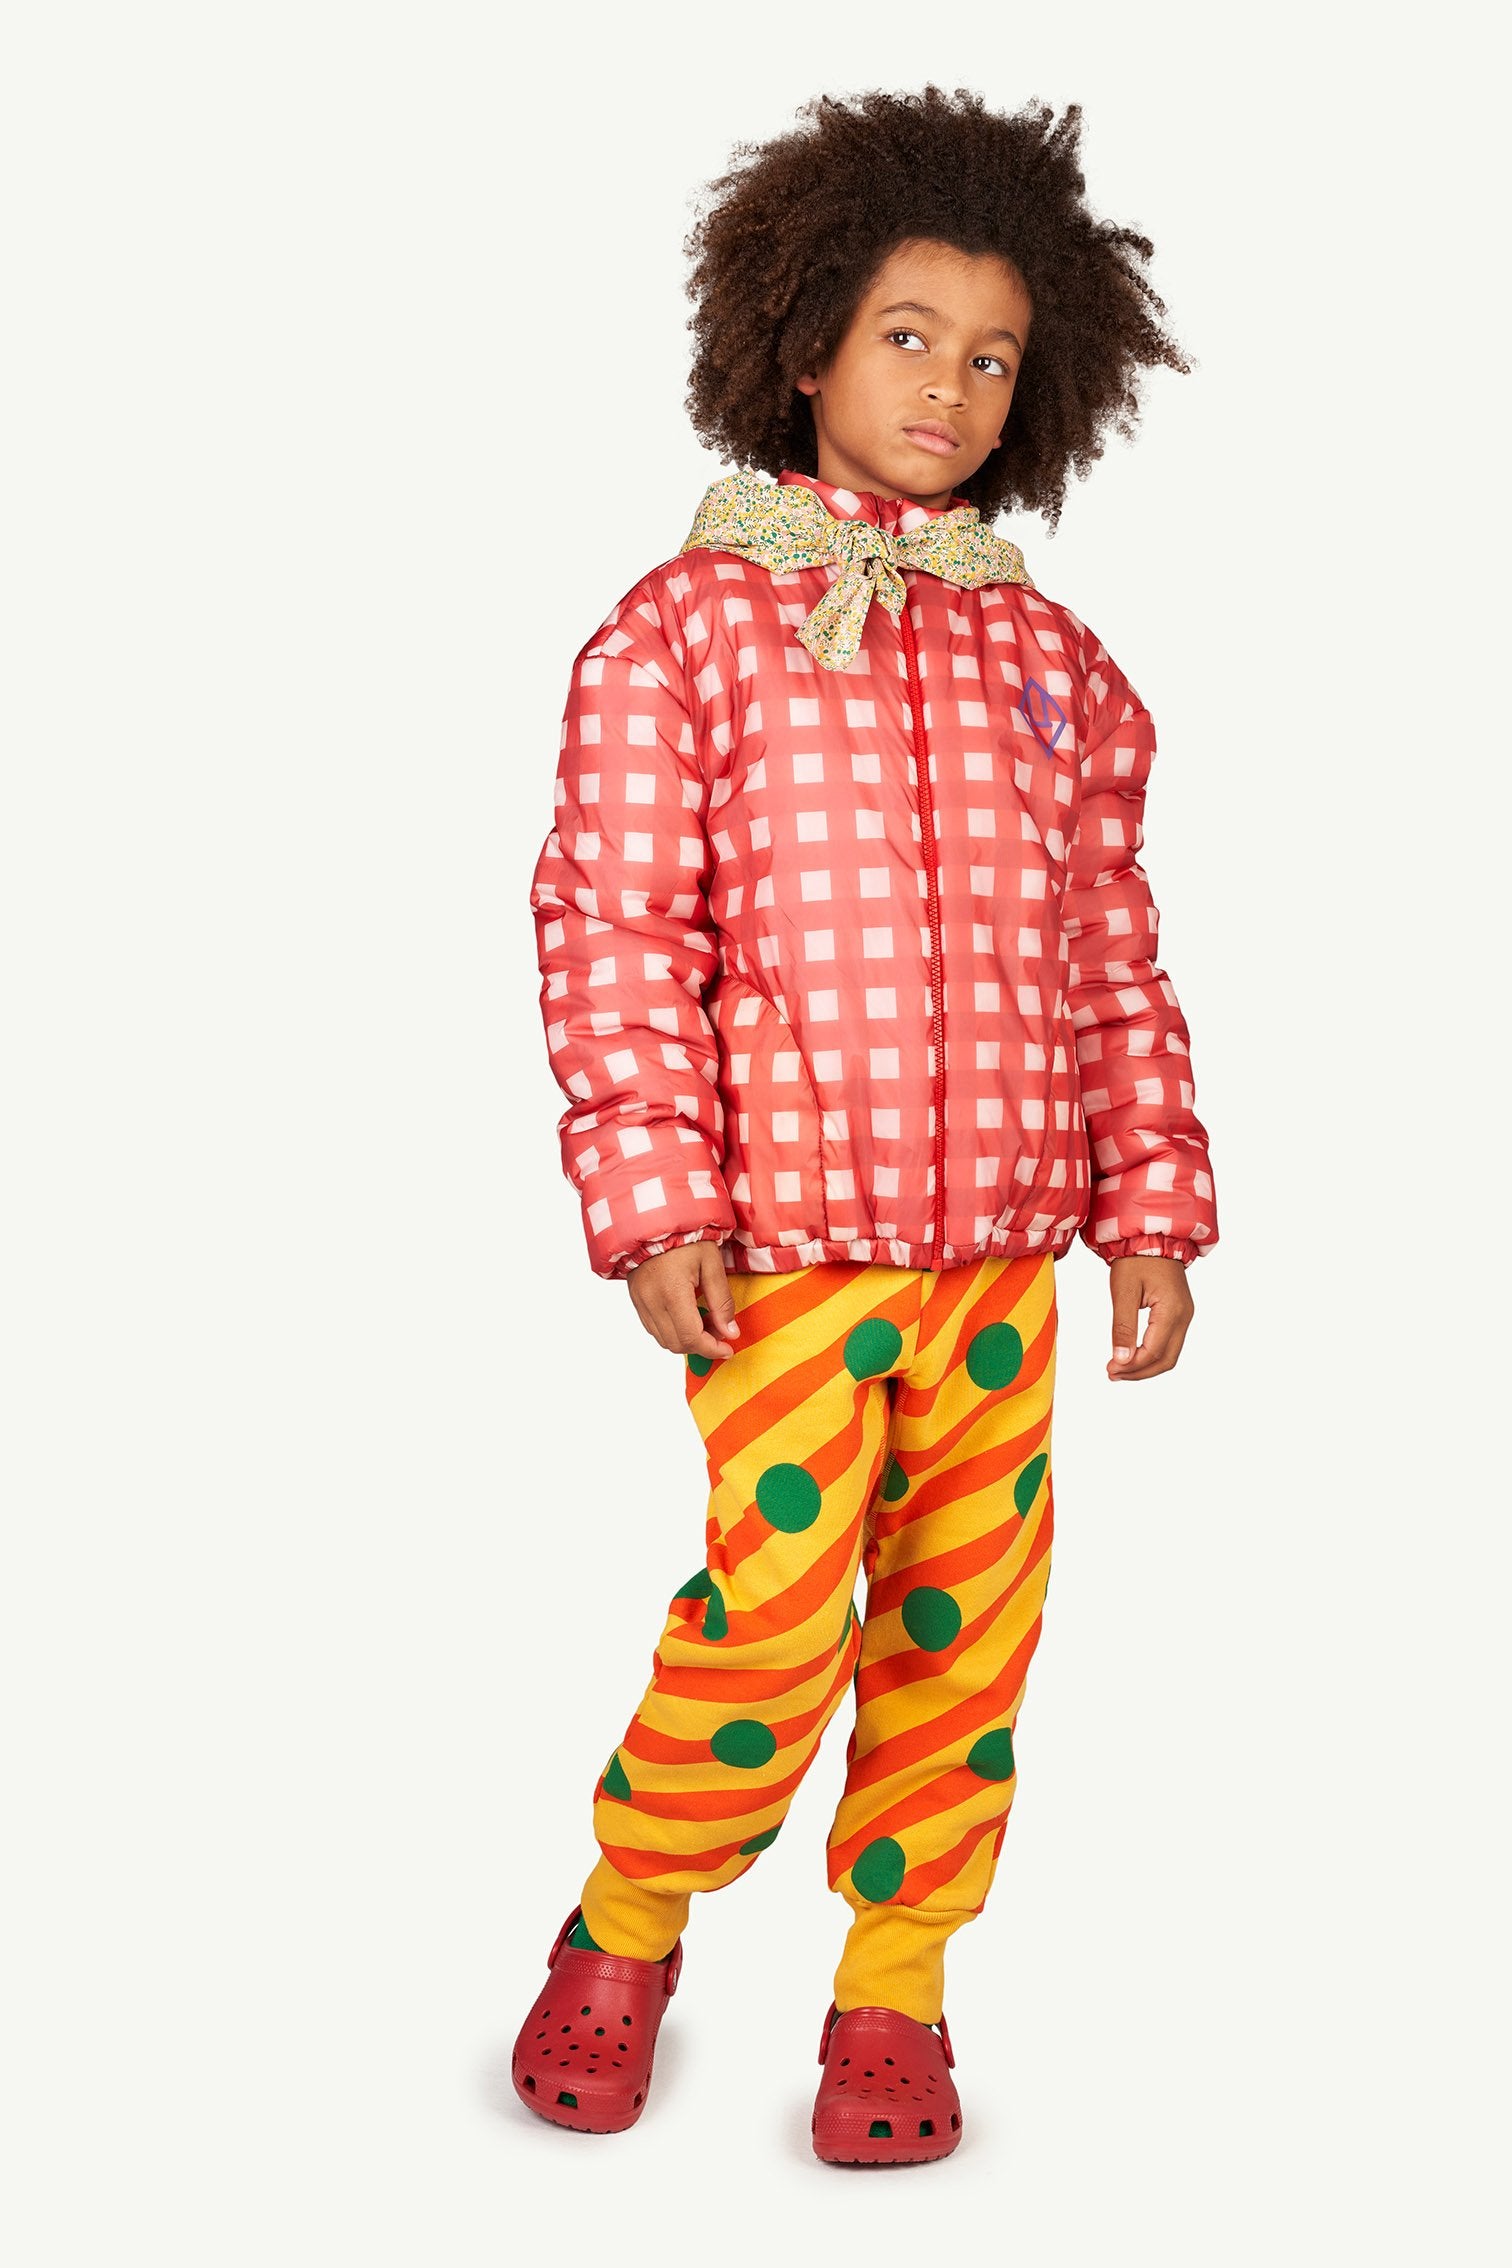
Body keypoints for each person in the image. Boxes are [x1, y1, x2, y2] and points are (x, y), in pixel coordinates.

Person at [513, 84, 1218, 2165]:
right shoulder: (682, 635)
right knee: (771, 1616)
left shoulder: (1059, 670)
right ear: (804, 339)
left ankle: (895, 1986)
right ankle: (628, 1921)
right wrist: (657, 1201)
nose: (949, 386)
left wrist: (1150, 1206)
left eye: (993, 355)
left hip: (1000, 1260)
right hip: (788, 1260)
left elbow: (1110, 952)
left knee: (964, 1635)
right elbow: (615, 929)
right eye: (909, 336)